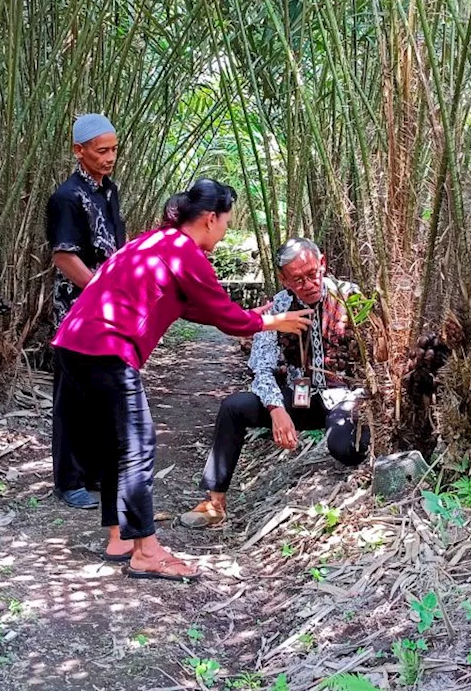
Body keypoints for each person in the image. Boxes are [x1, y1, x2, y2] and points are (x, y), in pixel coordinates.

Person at [52, 180, 313, 581]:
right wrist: (270, 321)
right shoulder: (185, 253)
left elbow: (185, 305)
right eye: (226, 223)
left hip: (74, 342)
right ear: (210, 219)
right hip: (107, 347)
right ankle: (146, 552)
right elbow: (223, 315)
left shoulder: (155, 241)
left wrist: (251, 318)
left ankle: (120, 536)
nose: (225, 231)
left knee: (114, 442)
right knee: (138, 445)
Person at [180, 238, 372, 529]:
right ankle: (215, 502)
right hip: (301, 397)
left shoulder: (350, 298)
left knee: (344, 447)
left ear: (323, 264)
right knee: (234, 407)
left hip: (346, 398)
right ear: (284, 279)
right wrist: (275, 408)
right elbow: (261, 366)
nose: (308, 284)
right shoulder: (281, 304)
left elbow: (376, 362)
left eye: (312, 274)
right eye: (298, 279)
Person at [46, 113, 125, 511]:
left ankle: (94, 470)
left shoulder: (108, 191)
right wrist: (99, 289)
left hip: (106, 307)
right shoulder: (67, 197)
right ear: (80, 151)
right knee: (72, 396)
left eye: (113, 149)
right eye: (102, 151)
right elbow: (64, 257)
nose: (109, 157)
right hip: (75, 311)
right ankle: (68, 479)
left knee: (101, 391)